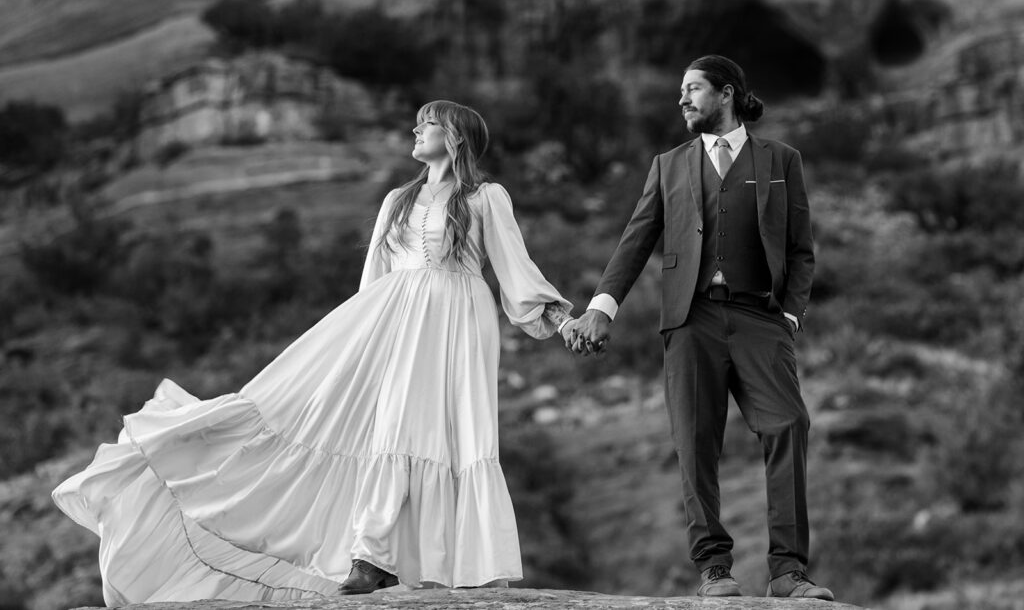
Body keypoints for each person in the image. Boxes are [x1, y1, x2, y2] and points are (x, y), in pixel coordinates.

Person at [53, 100, 575, 603]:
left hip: (460, 321)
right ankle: (372, 557)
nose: (415, 132)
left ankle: (473, 565)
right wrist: (357, 345)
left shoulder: (487, 199)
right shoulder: (397, 200)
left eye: (427, 124)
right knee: (391, 427)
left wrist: (562, 319)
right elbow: (373, 282)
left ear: (454, 137)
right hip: (393, 322)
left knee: (461, 432)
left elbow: (516, 272)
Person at [566, 55, 833, 600]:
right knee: (695, 442)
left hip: (761, 317)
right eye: (681, 91)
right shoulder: (669, 165)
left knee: (788, 425)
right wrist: (601, 306)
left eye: (693, 89)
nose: (682, 100)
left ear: (727, 93)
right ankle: (715, 568)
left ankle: (789, 573)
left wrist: (789, 313)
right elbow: (635, 240)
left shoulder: (782, 159)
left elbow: (802, 248)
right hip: (691, 320)